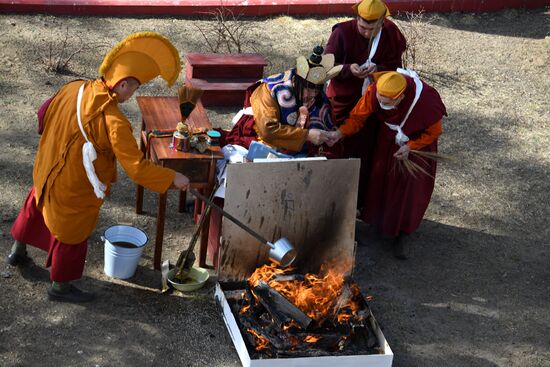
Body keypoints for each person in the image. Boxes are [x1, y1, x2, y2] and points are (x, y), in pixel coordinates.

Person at [6, 32, 190, 302]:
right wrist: (174, 177)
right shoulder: (114, 121)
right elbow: (137, 168)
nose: (133, 93)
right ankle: (60, 288)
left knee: (38, 201)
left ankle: (17, 251)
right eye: (135, 87)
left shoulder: (75, 87)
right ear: (123, 84)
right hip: (74, 183)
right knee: (72, 231)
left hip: (47, 167)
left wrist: (54, 142)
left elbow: (43, 113)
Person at [326, 70, 446, 259]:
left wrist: (410, 147)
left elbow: (435, 131)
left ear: (401, 97)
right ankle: (377, 224)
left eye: (387, 103)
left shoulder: (426, 100)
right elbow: (358, 117)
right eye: (380, 100)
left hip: (416, 148)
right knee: (380, 180)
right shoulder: (375, 90)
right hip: (387, 141)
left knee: (408, 190)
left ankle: (402, 231)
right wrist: (340, 133)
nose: (382, 104)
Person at [222, 45, 343, 157]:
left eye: (316, 91)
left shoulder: (319, 97)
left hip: (302, 152)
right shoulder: (270, 89)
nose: (312, 95)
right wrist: (306, 135)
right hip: (266, 146)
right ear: (296, 82)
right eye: (308, 90)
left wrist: (329, 137)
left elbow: (327, 125)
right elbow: (267, 130)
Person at [325, 0, 407, 126]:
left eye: (373, 29)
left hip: (375, 97)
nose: (367, 33)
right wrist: (348, 69)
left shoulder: (391, 33)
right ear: (357, 19)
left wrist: (378, 69)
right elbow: (326, 65)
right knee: (341, 131)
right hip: (344, 95)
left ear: (382, 23)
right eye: (363, 28)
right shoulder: (342, 32)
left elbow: (396, 68)